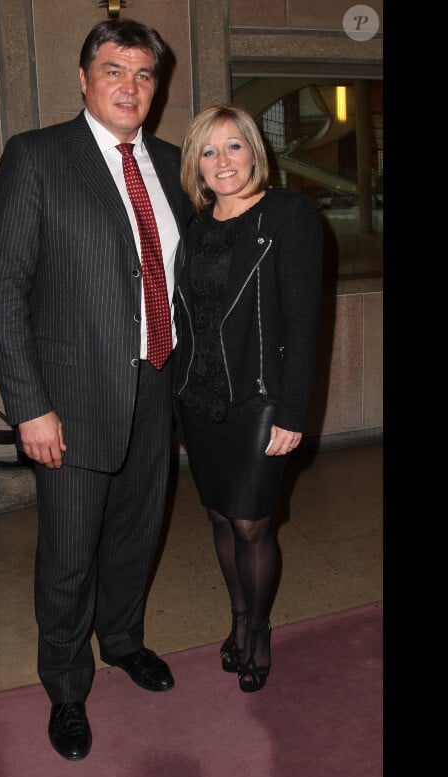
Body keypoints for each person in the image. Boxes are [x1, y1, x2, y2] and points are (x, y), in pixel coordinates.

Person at [0, 18, 190, 761]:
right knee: (68, 553)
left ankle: (124, 640)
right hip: (66, 400)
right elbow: (3, 288)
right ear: (83, 78)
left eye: (143, 74)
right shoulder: (36, 157)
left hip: (156, 386)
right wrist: (28, 403)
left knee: (137, 535)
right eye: (113, 70)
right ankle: (67, 687)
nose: (129, 86)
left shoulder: (170, 163)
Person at [173, 103, 323, 694]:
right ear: (197, 165)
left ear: (254, 151)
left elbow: (306, 320)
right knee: (217, 515)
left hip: (261, 398)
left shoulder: (289, 213)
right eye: (208, 151)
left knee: (251, 522)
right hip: (201, 398)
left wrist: (292, 412)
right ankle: (236, 619)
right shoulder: (196, 224)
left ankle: (258, 632)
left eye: (233, 146)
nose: (222, 161)